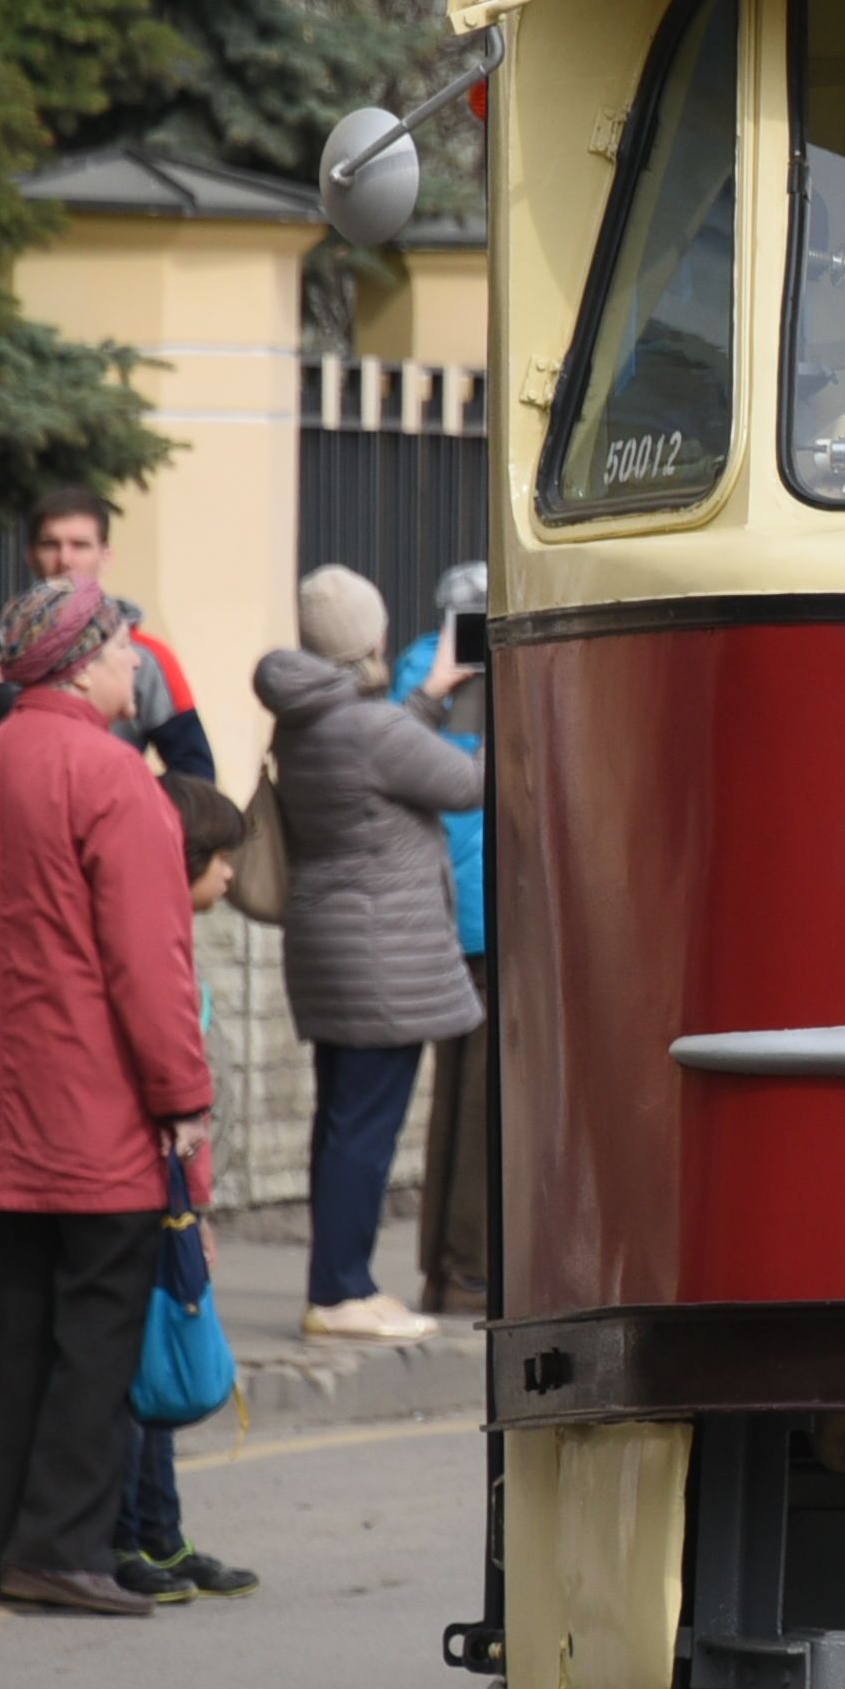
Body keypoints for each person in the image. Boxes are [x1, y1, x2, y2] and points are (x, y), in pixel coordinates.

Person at [0, 578, 218, 1616]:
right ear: (80, 662)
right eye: (121, 646)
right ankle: (63, 1543)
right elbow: (151, 962)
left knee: (25, 1321)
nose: (134, 661)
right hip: (100, 1095)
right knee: (99, 1325)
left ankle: (14, 1538)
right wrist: (184, 1094)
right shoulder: (114, 776)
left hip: (9, 1094)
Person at [254, 566, 480, 1345]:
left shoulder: (310, 718)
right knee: (364, 1130)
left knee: (341, 1121)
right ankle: (340, 1294)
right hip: (382, 956)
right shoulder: (368, 729)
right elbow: (466, 781)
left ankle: (340, 1281)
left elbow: (387, 746)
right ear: (374, 637)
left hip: (333, 947)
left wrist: (434, 691)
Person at [115, 773, 262, 1603]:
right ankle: (132, 1536)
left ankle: (161, 1535)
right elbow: (184, 1094)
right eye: (222, 860)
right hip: (154, 1194)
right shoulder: (156, 953)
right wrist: (193, 1208)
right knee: (143, 1370)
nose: (233, 875)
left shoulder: (171, 941)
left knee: (156, 1364)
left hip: (167, 1195)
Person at [390, 562, 492, 1319]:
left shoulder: (416, 678)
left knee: (455, 1104)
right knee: (483, 1109)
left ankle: (443, 1271)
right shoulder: (451, 681)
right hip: (484, 920)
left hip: (443, 916)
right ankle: (465, 1273)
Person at [24, 487, 220, 782]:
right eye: (51, 545)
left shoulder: (147, 658)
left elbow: (195, 774)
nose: (65, 559)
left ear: (105, 556)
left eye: (80, 545)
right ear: (30, 556)